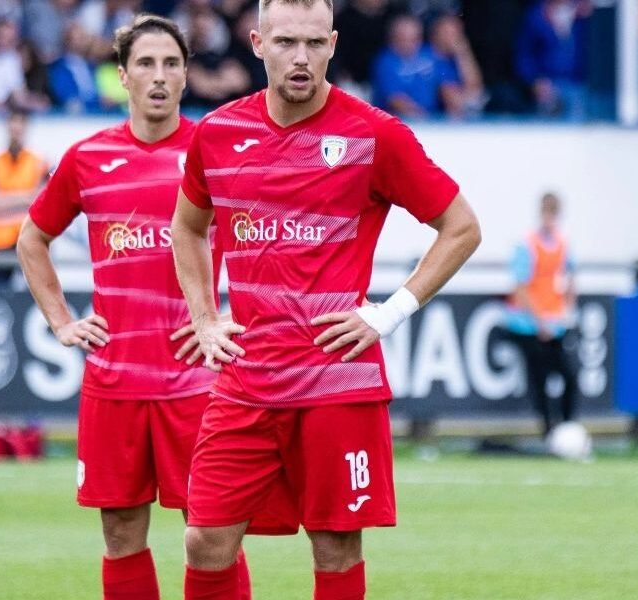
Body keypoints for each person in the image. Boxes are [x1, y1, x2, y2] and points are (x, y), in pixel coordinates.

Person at [170, 0, 481, 597]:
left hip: (337, 380)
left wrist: (388, 312)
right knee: (204, 539)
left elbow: (461, 227)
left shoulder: (375, 134)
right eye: (286, 43)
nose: (301, 58)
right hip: (247, 377)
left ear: (334, 44)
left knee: (336, 546)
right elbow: (188, 226)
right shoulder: (217, 134)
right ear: (257, 43)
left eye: (315, 44)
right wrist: (205, 319)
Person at [17, 15, 260, 600]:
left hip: (198, 381)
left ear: (186, 75)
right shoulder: (87, 159)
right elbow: (31, 239)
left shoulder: (217, 151)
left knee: (212, 533)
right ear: (122, 76)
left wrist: (227, 317)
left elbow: (261, 240)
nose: (159, 76)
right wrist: (61, 321)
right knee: (121, 530)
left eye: (171, 64)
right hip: (115, 379)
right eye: (146, 64)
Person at [505, 192, 578, 437]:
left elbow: (570, 278)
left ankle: (567, 429)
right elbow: (520, 287)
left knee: (569, 376)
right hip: (530, 325)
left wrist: (567, 308)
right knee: (540, 382)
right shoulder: (527, 245)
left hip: (555, 324)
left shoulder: (563, 244)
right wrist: (539, 321)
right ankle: (548, 432)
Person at [0, 109, 49, 263]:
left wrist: (3, 200)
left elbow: (43, 201)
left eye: (20, 122)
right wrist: (27, 198)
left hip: (31, 237)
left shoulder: (39, 162)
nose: (16, 127)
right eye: (12, 122)